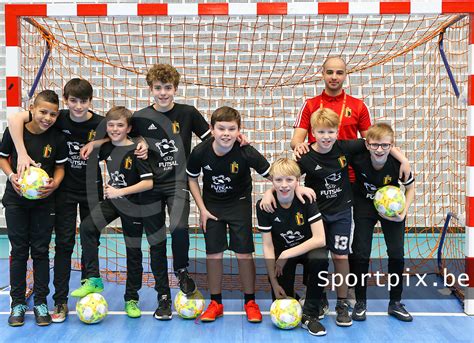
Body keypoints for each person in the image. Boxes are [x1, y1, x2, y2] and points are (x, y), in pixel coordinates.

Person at [261, 108, 409, 327]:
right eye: (321, 132)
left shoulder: (345, 147)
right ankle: (319, 299)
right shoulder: (305, 156)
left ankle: (342, 303)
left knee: (340, 257)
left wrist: (403, 160)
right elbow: (286, 177)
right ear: (312, 132)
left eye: (331, 131)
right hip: (316, 216)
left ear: (337, 131)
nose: (326, 137)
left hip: (341, 212)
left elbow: (378, 140)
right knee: (318, 257)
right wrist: (269, 192)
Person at [81, 64, 216, 303]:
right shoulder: (142, 117)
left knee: (180, 228)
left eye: (167, 88)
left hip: (176, 183)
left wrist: (237, 141)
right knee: (156, 241)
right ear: (150, 89)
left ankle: (182, 271)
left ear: (175, 88)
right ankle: (162, 294)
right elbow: (120, 133)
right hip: (151, 187)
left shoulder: (188, 113)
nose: (163, 93)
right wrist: (97, 143)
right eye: (158, 88)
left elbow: (211, 139)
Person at [7, 79, 105, 322]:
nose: (79, 106)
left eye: (84, 101)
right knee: (64, 244)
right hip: (64, 191)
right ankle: (60, 301)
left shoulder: (100, 122)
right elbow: (16, 118)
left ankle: (88, 290)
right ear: (66, 100)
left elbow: (126, 131)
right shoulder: (56, 117)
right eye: (73, 101)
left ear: (91, 101)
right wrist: (20, 152)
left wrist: (97, 142)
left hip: (92, 189)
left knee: (90, 238)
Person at [70, 106, 162, 320]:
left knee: (133, 251)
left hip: (134, 204)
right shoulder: (107, 147)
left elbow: (148, 183)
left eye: (120, 125)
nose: (114, 129)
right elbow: (105, 143)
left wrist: (120, 191)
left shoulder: (139, 151)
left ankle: (131, 298)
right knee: (87, 226)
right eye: (110, 125)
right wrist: (94, 142)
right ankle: (93, 277)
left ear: (128, 127)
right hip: (113, 201)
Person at [186, 106, 270, 323]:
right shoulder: (200, 152)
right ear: (212, 130)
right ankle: (216, 303)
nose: (226, 133)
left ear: (238, 131)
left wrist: (280, 189)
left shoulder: (245, 151)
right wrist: (202, 209)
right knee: (213, 254)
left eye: (231, 129)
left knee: (244, 254)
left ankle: (250, 302)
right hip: (212, 207)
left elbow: (273, 174)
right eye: (221, 128)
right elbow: (192, 178)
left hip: (239, 204)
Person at [1, 90, 68, 326]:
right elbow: (2, 158)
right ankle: (17, 302)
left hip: (44, 202)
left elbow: (60, 168)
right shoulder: (15, 132)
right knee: (19, 251)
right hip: (16, 200)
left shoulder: (58, 138)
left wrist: (55, 184)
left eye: (53, 113)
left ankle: (41, 301)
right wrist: (11, 176)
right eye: (43, 111)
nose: (47, 117)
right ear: (32, 108)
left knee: (40, 251)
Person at [348, 123, 414, 322]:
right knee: (360, 252)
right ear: (367, 145)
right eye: (375, 145)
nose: (380, 149)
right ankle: (360, 302)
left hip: (391, 210)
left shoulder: (397, 164)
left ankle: (395, 302)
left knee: (396, 253)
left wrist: (404, 211)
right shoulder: (358, 158)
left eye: (385, 145)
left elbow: (411, 189)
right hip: (364, 206)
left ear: (392, 145)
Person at [256, 158, 329, 336]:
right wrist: (273, 283)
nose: (284, 185)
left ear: (298, 181)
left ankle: (310, 315)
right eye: (278, 180)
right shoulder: (264, 205)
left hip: (305, 250)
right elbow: (267, 246)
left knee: (320, 257)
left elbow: (320, 239)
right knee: (282, 299)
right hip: (281, 256)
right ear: (272, 181)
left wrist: (286, 254)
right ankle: (299, 299)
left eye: (289, 180)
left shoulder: (306, 198)